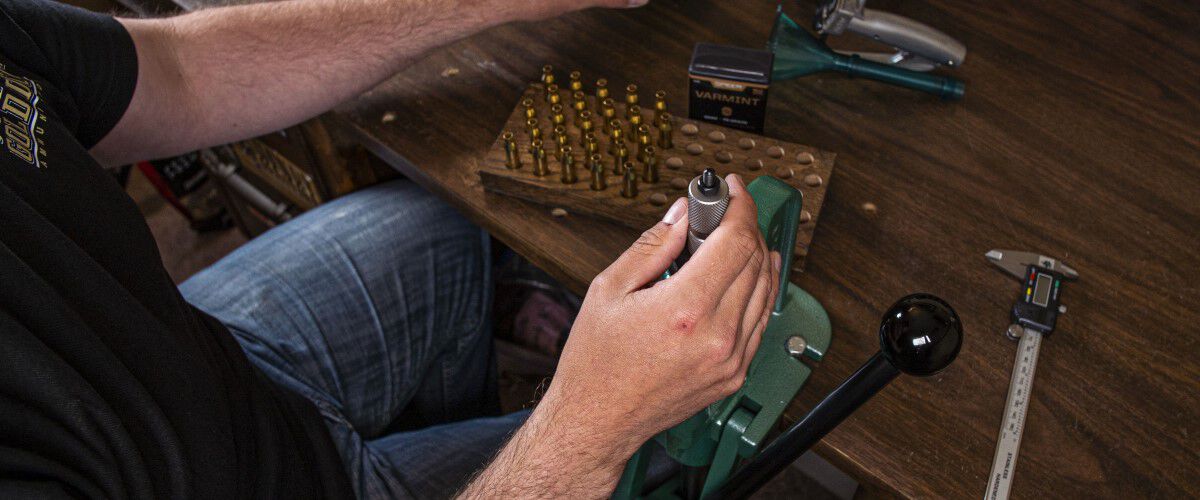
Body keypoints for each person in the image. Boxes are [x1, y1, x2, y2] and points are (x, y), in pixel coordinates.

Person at [0, 0, 779, 497]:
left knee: (445, 224)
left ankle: (478, 388)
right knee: (705, 418)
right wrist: (589, 426)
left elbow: (176, 70)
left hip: (205, 355)